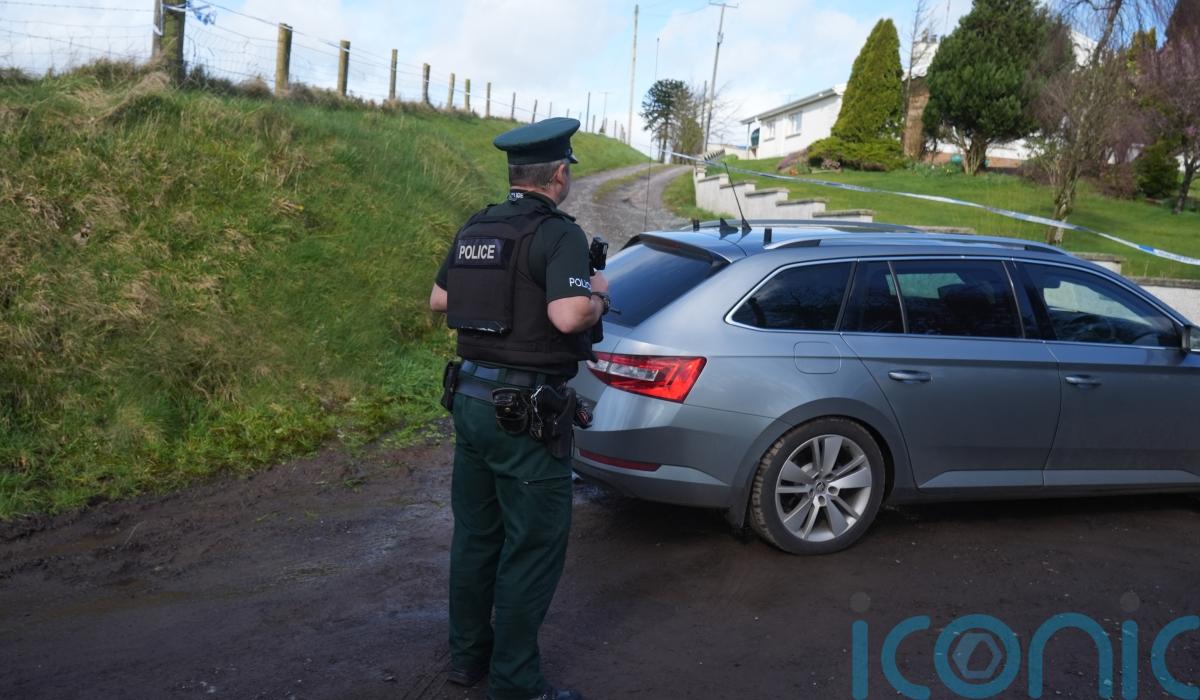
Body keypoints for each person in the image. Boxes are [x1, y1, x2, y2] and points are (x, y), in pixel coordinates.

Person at [428, 116, 608, 700]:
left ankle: (467, 659)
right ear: (559, 175)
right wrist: (598, 297)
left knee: (477, 536)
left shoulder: (477, 225)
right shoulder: (558, 234)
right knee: (532, 547)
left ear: (514, 173)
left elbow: (439, 299)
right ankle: (516, 683)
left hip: (470, 399)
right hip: (525, 415)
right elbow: (567, 316)